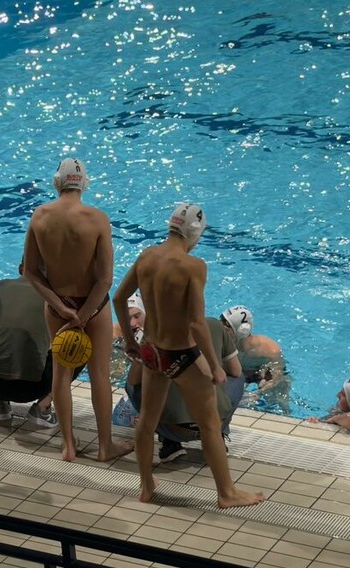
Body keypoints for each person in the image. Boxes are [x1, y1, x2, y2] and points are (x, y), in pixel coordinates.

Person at [112, 202, 263, 509]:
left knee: (147, 421)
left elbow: (118, 297)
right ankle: (226, 493)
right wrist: (214, 365)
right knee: (210, 424)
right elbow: (196, 323)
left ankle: (146, 485)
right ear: (195, 233)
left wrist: (130, 342)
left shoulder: (147, 257)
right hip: (181, 355)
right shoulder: (194, 267)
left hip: (152, 352)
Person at [23, 158, 132, 462]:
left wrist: (61, 307)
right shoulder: (97, 219)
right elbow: (105, 279)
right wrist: (83, 316)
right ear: (84, 183)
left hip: (58, 307)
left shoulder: (40, 216)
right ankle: (105, 446)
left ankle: (68, 445)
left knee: (61, 375)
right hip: (93, 306)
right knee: (100, 375)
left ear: (57, 182)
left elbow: (30, 271)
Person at [118, 293, 245, 463]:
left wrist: (139, 355)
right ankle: (217, 437)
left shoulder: (152, 336)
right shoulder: (215, 324)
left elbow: (133, 383)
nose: (132, 323)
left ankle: (169, 443)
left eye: (137, 316)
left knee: (133, 386)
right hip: (214, 422)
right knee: (239, 378)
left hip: (175, 429)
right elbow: (236, 371)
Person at [0, 262, 60, 428]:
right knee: (75, 346)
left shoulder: (0, 286)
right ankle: (42, 407)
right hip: (31, 389)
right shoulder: (55, 297)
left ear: (21, 268)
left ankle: (1, 404)